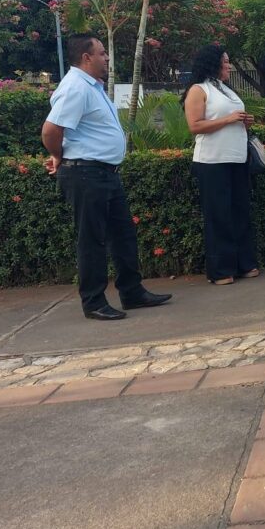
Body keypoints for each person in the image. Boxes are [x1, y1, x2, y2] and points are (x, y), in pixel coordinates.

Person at [41, 34, 172, 321]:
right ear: (86, 57)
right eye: (102, 53)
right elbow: (51, 130)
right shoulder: (76, 87)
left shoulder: (93, 86)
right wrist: (58, 155)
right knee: (92, 240)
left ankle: (132, 292)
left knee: (123, 235)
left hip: (104, 172)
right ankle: (94, 302)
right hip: (85, 173)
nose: (107, 58)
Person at [182, 45, 259, 285]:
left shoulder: (226, 89)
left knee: (240, 212)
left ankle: (245, 264)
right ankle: (221, 270)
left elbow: (231, 119)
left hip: (237, 158)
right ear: (212, 63)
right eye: (225, 62)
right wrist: (228, 119)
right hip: (212, 161)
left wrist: (244, 121)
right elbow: (195, 125)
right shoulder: (199, 89)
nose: (229, 65)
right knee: (219, 216)